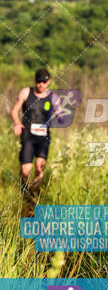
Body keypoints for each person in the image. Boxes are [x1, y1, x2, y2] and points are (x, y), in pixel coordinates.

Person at [11, 68, 60, 198]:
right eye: (39, 82)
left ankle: (34, 198)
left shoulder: (53, 97)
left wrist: (59, 116)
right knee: (26, 169)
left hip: (43, 138)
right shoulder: (26, 93)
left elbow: (61, 114)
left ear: (48, 82)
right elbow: (14, 110)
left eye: (44, 82)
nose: (41, 85)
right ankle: (24, 193)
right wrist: (17, 123)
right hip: (28, 136)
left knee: (40, 168)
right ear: (35, 81)